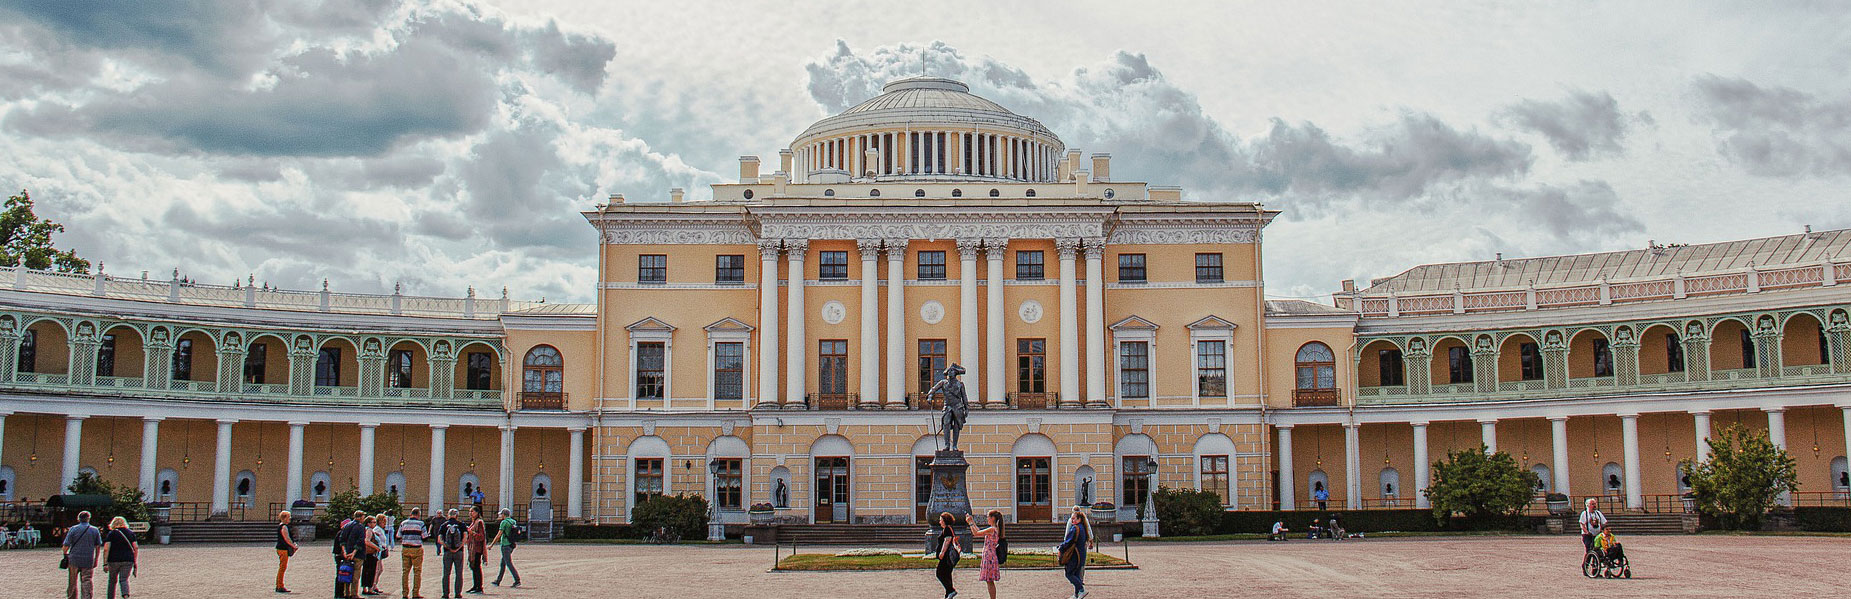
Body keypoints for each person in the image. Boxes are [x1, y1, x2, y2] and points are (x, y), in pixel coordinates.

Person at [63, 510, 104, 599]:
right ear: (88, 519)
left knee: (72, 581)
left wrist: (65, 555)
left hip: (74, 559)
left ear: (78, 519)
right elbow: (97, 546)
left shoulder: (73, 529)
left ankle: (72, 597)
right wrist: (96, 559)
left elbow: (66, 545)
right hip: (88, 559)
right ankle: (86, 597)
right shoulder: (95, 530)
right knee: (87, 581)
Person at [967, 510, 1004, 599]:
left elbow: (976, 533)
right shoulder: (995, 529)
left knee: (989, 580)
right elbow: (978, 531)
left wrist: (970, 523)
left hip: (989, 555)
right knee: (989, 580)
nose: (987, 519)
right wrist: (972, 522)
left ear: (993, 518)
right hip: (991, 554)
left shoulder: (992, 529)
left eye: (988, 517)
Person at [1057, 507, 1092, 599]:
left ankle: (1081, 590)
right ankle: (1076, 595)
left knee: (1069, 574)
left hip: (1075, 555)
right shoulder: (1082, 527)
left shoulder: (1075, 528)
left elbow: (1068, 541)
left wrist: (1060, 549)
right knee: (1076, 574)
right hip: (1081, 555)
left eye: (1073, 518)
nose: (1072, 520)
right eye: (1071, 518)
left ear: (1079, 519)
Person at [102, 516, 137, 599]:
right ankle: (125, 595)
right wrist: (134, 561)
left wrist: (105, 563)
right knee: (124, 579)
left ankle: (110, 597)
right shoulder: (130, 533)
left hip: (114, 560)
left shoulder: (112, 533)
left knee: (112, 581)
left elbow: (106, 549)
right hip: (128, 559)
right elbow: (135, 547)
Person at [336, 510, 368, 599]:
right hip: (357, 554)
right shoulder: (360, 527)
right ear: (361, 517)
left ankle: (347, 593)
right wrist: (354, 552)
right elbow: (360, 540)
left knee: (347, 573)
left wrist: (345, 551)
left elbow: (341, 539)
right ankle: (354, 594)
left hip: (347, 553)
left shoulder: (347, 525)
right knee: (356, 575)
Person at [399, 507, 428, 599]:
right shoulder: (420, 524)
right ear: (418, 514)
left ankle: (404, 593)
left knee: (405, 571)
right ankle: (415, 593)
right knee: (417, 571)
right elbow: (425, 537)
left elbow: (398, 535)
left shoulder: (403, 523)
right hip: (416, 548)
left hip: (405, 548)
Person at [437, 509, 466, 599]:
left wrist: (447, 547)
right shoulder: (461, 525)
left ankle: (445, 594)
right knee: (459, 573)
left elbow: (439, 540)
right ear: (457, 515)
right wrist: (458, 547)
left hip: (447, 552)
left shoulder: (444, 525)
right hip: (459, 552)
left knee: (446, 573)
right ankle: (458, 593)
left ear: (448, 515)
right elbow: (465, 538)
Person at [489, 508, 521, 588]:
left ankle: (517, 580)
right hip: (511, 544)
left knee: (508, 563)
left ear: (503, 514)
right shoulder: (513, 521)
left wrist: (491, 544)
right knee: (503, 563)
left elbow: (499, 534)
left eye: (501, 514)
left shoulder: (504, 522)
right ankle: (498, 580)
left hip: (505, 544)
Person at [932, 512, 960, 599]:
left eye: (941, 520)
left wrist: (942, 552)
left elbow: (947, 541)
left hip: (946, 556)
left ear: (945, 520)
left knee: (940, 573)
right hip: (947, 556)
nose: (940, 522)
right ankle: (949, 593)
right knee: (947, 574)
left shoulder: (947, 529)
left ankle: (951, 590)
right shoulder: (948, 529)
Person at [465, 507, 488, 594]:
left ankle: (479, 586)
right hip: (472, 548)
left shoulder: (479, 522)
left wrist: (472, 533)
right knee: (473, 567)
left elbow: (481, 536)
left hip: (477, 548)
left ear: (477, 512)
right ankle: (475, 585)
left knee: (476, 567)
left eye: (472, 511)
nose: (470, 513)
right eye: (469, 511)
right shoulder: (473, 522)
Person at [275, 510, 298, 593]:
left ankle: (279, 585)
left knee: (282, 567)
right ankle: (280, 586)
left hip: (281, 548)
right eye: (288, 517)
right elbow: (286, 538)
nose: (290, 519)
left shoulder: (282, 526)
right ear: (284, 518)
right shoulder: (284, 527)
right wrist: (293, 546)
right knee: (282, 568)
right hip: (283, 549)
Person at [359, 515, 383, 596]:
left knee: (365, 571)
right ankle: (369, 589)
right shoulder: (369, 530)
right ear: (368, 523)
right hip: (370, 553)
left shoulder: (366, 530)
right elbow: (367, 541)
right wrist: (377, 547)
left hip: (366, 554)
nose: (375, 524)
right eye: (373, 522)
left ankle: (365, 588)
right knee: (370, 571)